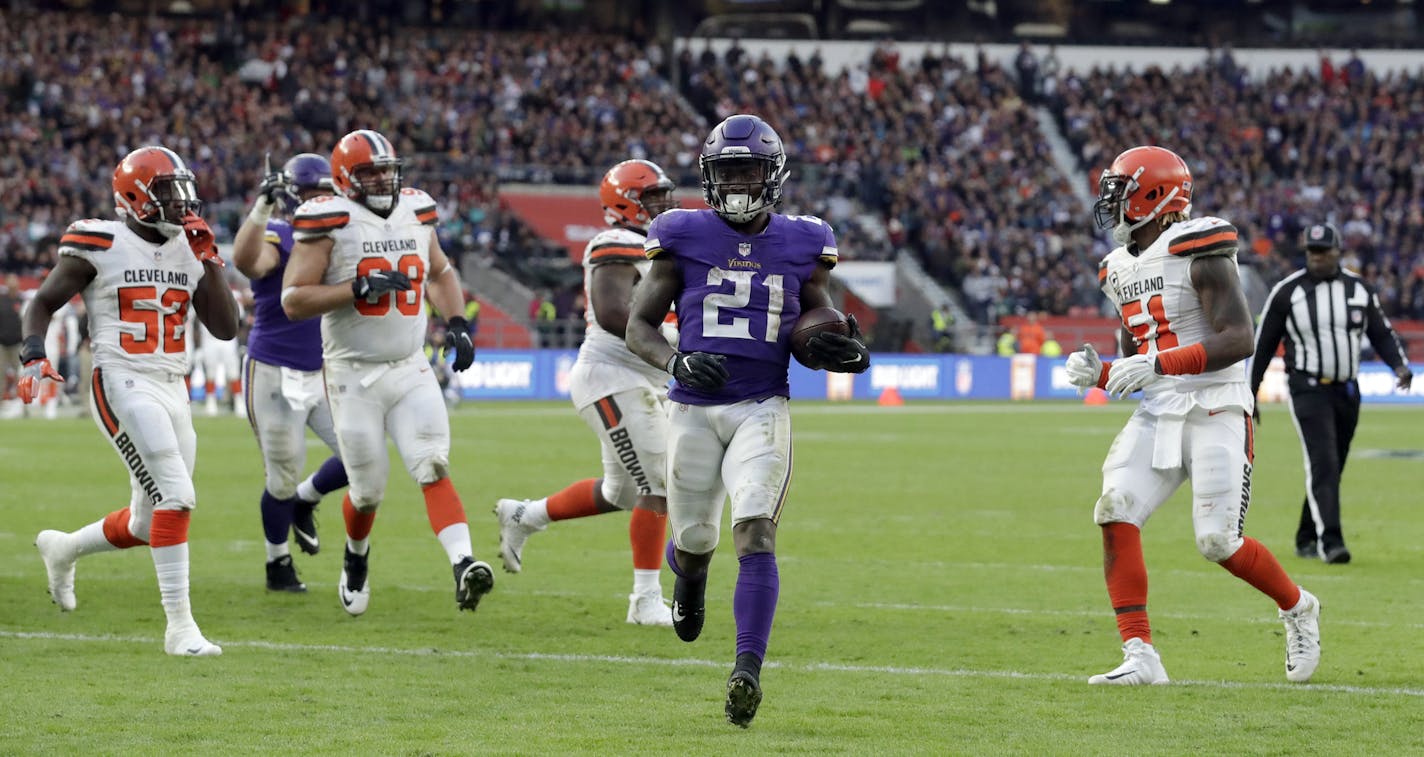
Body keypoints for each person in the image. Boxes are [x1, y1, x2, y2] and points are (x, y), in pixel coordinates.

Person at [624, 114, 871, 727]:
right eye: (727, 171)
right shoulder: (679, 234)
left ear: (773, 176)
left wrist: (847, 348)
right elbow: (638, 327)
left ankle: (746, 671)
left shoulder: (804, 241)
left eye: (750, 171)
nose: (738, 184)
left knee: (755, 531)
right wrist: (677, 358)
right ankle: (690, 578)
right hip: (691, 410)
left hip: (763, 407)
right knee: (697, 543)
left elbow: (821, 320)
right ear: (709, 176)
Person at [1064, 145, 1321, 686]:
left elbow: (1238, 339)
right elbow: (1139, 356)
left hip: (1217, 405)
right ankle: (1141, 655)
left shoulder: (1197, 245)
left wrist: (1155, 363)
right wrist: (1103, 373)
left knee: (1217, 541)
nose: (1110, 203)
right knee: (1113, 509)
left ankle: (1298, 608)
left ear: (1155, 195)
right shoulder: (1116, 267)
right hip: (1161, 410)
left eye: (1121, 191)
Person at [27, 145, 239, 656]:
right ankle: (180, 629)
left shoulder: (190, 246)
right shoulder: (103, 241)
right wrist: (34, 353)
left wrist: (210, 262)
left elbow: (227, 328)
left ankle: (64, 548)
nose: (181, 201)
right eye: (167, 191)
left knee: (149, 522)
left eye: (181, 188)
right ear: (135, 195)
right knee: (177, 496)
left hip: (172, 384)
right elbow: (42, 301)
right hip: (121, 380)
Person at [281, 129, 493, 616]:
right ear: (343, 179)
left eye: (386, 170)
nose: (381, 179)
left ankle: (463, 564)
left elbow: (439, 272)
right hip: (351, 374)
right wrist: (356, 288)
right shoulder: (328, 218)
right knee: (367, 490)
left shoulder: (416, 210)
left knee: (432, 462)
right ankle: (356, 556)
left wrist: (456, 320)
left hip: (409, 364)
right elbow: (293, 299)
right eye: (369, 172)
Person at [495, 159, 679, 627]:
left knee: (620, 492)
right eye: (651, 197)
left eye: (663, 195)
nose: (663, 204)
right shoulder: (615, 242)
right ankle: (644, 600)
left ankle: (526, 516)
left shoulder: (662, 245)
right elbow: (615, 313)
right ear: (625, 204)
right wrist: (684, 339)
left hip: (642, 379)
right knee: (657, 482)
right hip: (613, 375)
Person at [1248, 222, 1412, 565]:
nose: (1318, 258)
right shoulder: (1288, 291)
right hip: (1307, 387)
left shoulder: (1359, 289)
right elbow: (1264, 345)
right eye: (1312, 252)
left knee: (1332, 466)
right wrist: (1251, 389)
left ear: (1338, 252)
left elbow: (1381, 332)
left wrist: (1398, 366)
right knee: (1323, 461)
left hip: (1348, 390)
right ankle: (1331, 542)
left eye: (1324, 252)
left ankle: (1306, 535)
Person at [232, 152, 352, 592]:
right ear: (294, 197)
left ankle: (308, 498)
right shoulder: (280, 232)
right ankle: (277, 562)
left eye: (327, 192)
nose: (322, 201)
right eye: (315, 193)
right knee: (280, 477)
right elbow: (248, 262)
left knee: (362, 455)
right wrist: (261, 208)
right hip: (274, 370)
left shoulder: (338, 236)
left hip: (321, 370)